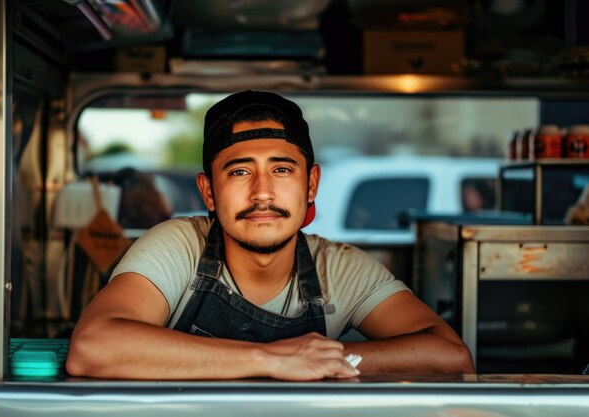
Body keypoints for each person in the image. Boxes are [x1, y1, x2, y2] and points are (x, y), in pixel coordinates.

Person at [66, 90, 474, 381]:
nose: (262, 192)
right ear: (209, 191)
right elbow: (93, 348)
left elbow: (450, 356)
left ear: (310, 185)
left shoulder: (340, 268)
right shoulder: (177, 246)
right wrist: (274, 359)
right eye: (240, 171)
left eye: (281, 170)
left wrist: (326, 360)